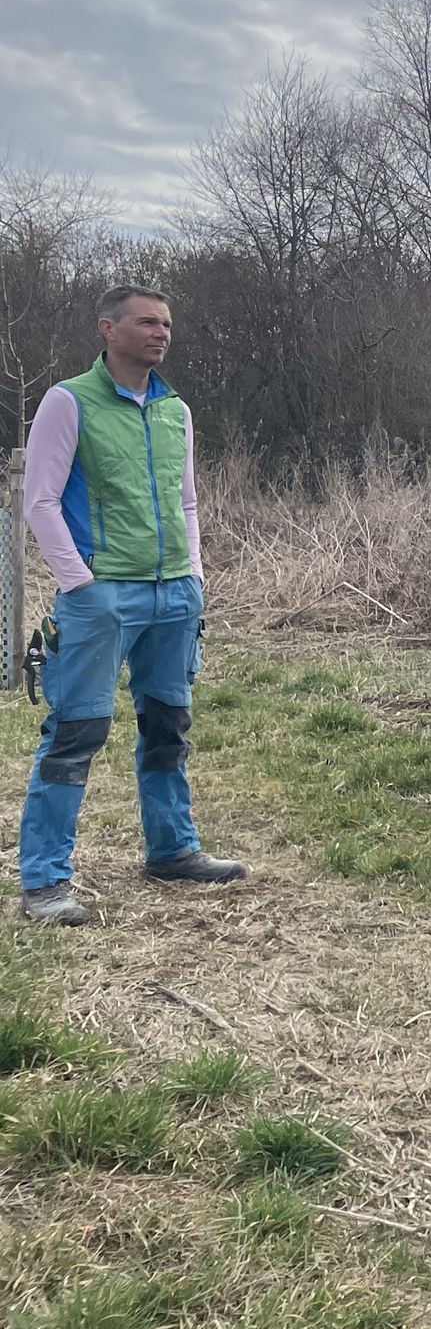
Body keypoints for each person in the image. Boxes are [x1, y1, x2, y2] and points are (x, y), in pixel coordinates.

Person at [16, 287, 245, 926]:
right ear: (107, 328)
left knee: (168, 726)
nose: (160, 332)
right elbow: (40, 501)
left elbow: (188, 502)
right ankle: (45, 881)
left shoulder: (176, 409)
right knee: (75, 734)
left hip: (174, 594)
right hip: (100, 597)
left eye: (167, 323)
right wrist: (80, 582)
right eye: (146, 321)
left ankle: (172, 850)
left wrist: (194, 577)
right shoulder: (68, 401)